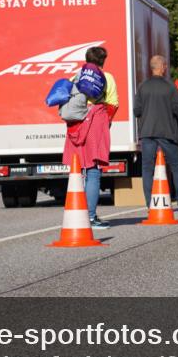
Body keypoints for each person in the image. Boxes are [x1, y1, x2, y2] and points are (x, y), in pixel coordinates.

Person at [63, 47, 116, 228]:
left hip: (75, 126)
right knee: (93, 171)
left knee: (77, 171)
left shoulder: (75, 77)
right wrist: (106, 124)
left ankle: (76, 216)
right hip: (95, 125)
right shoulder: (106, 77)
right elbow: (113, 104)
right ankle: (90, 217)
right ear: (103, 60)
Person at [134, 54, 178, 213]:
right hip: (167, 132)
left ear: (151, 68)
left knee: (147, 168)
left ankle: (150, 204)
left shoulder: (142, 86)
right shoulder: (170, 87)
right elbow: (177, 110)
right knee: (176, 167)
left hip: (147, 132)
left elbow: (137, 111)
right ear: (163, 67)